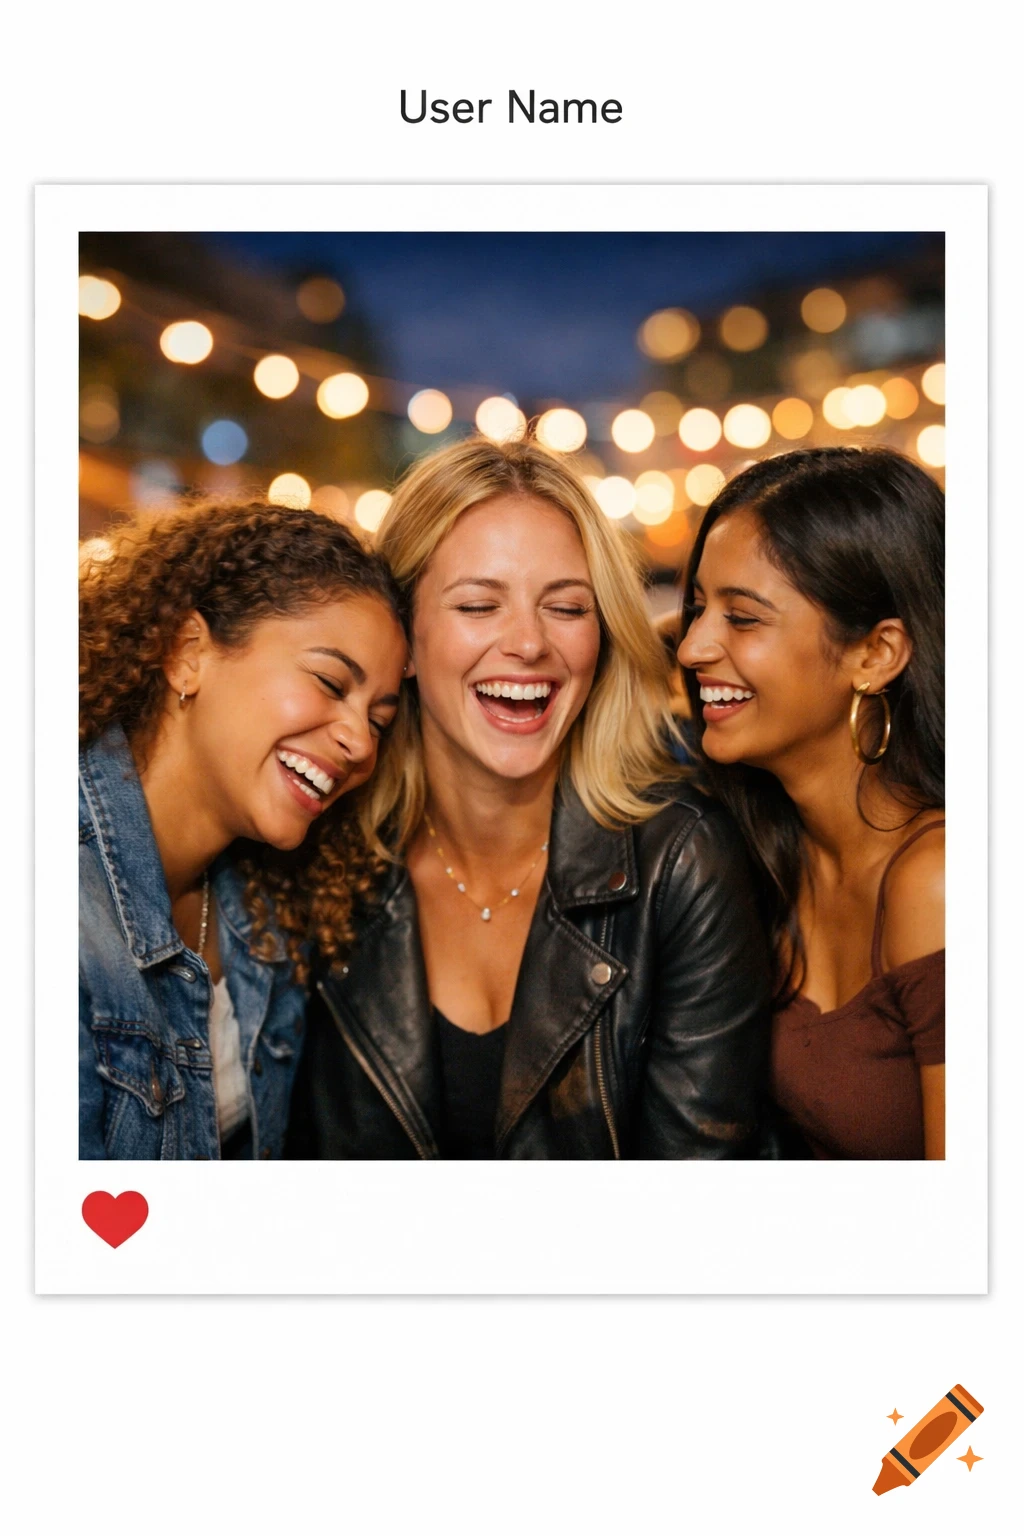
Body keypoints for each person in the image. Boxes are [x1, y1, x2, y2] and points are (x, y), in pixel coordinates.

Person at [289, 436, 771, 1159]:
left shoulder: (683, 859)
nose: (528, 644)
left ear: (602, 634)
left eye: (567, 608)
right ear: (406, 640)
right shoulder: (323, 849)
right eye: (479, 605)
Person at [79, 499, 407, 1159]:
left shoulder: (264, 904)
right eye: (329, 681)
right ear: (187, 652)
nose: (359, 744)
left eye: (379, 719)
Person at [676, 447, 945, 1160]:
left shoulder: (939, 882)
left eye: (742, 618)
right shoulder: (758, 848)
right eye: (699, 608)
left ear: (876, 655)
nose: (692, 647)